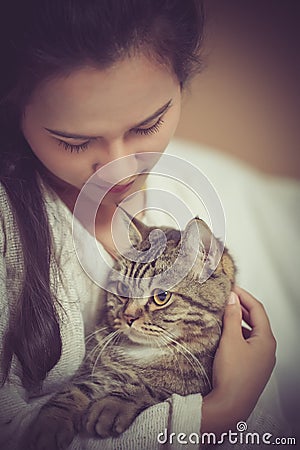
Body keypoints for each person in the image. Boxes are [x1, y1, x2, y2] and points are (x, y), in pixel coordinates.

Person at [0, 1, 279, 449]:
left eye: (147, 126)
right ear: (14, 110)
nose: (119, 169)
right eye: (75, 141)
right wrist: (221, 412)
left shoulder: (194, 199)